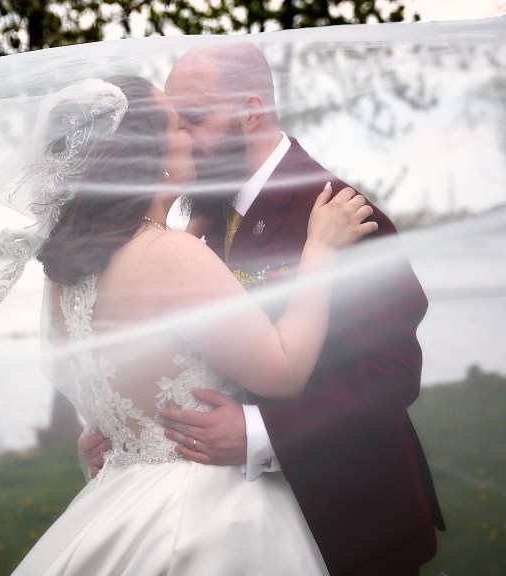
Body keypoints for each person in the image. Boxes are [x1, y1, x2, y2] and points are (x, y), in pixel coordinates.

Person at [79, 44, 445, 575]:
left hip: (347, 517)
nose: (181, 138)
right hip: (226, 526)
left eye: (194, 120)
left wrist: (261, 433)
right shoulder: (199, 219)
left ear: (251, 110)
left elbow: (391, 371)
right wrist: (125, 427)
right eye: (176, 123)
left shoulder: (339, 215)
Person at [11, 74, 376, 575]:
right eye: (177, 125)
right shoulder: (172, 255)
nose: (189, 136)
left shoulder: (64, 273)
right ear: (150, 155)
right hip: (201, 512)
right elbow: (285, 369)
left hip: (119, 499)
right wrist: (320, 250)